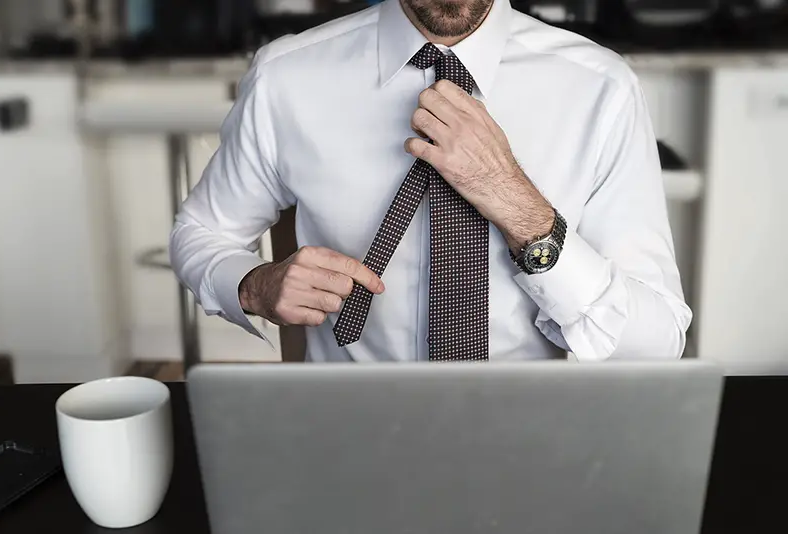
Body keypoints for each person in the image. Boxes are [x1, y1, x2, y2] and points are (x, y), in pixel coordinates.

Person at [169, 0, 692, 363]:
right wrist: (255, 286)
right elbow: (200, 232)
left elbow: (655, 341)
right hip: (349, 429)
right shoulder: (287, 77)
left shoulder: (600, 89)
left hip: (529, 434)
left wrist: (515, 200)